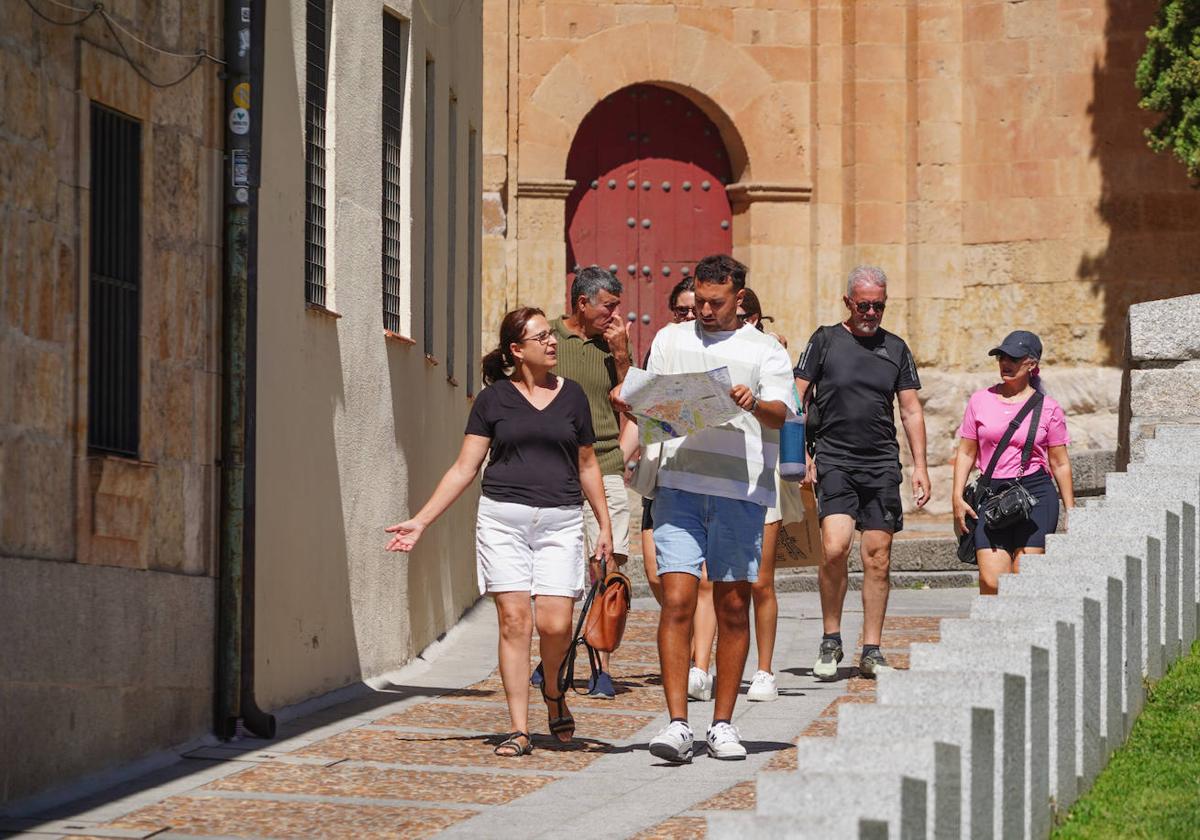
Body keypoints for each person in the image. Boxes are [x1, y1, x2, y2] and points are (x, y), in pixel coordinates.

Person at [385, 307, 612, 758]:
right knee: (515, 623)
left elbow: (587, 464)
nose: (552, 343)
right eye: (542, 336)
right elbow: (464, 468)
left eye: (552, 334)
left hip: (561, 520)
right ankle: (519, 728)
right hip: (502, 520)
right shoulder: (493, 401)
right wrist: (422, 520)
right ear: (517, 350)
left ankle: (552, 688)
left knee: (556, 623)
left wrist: (603, 524)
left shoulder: (574, 398)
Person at [616, 254, 794, 762]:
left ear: (741, 299)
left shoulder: (763, 351)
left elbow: (782, 416)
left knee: (734, 604)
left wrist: (752, 402)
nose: (705, 310)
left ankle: (722, 724)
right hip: (678, 487)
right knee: (676, 600)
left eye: (717, 302)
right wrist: (631, 394)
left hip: (740, 491)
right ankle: (676, 724)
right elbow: (650, 403)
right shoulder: (672, 339)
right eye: (699, 300)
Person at [793, 266, 930, 680]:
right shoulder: (825, 340)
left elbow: (909, 409)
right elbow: (795, 400)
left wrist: (920, 465)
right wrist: (801, 455)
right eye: (864, 305)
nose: (871, 312)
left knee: (878, 558)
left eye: (879, 305)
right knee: (833, 548)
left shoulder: (896, 348)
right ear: (848, 303)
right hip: (834, 458)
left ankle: (871, 649)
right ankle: (831, 638)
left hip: (881, 463)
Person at [533, 266, 632, 700]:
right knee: (558, 571)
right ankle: (552, 658)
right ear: (582, 304)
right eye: (608, 306)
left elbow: (634, 402)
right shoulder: (549, 339)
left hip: (606, 465)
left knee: (605, 569)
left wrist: (623, 354)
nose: (614, 314)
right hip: (552, 469)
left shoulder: (614, 345)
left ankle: (601, 667)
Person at [622, 278, 719, 703]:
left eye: (692, 309)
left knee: (703, 582)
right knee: (659, 577)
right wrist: (626, 455)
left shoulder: (714, 352)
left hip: (709, 476)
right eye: (679, 311)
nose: (687, 317)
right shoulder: (662, 349)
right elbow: (643, 412)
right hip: (663, 474)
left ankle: (699, 666)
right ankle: (686, 645)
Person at [951, 330, 1075, 594]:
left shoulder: (1048, 407)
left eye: (1013, 358)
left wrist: (1071, 510)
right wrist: (956, 496)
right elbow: (966, 452)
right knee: (992, 582)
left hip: (1036, 495)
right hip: (992, 494)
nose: (1005, 363)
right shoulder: (980, 400)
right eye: (1001, 357)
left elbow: (1060, 462)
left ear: (1032, 364)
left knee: (1025, 579)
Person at [736, 288, 788, 702]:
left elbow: (789, 413)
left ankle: (765, 670)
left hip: (762, 476)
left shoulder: (769, 352)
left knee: (761, 581)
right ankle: (704, 665)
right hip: (718, 475)